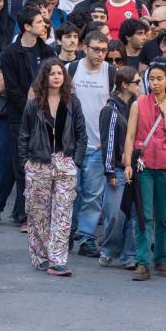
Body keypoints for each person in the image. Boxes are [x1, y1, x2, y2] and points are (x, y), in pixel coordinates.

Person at [18, 59, 87, 276]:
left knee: (63, 212)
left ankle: (57, 260)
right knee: (38, 213)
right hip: (39, 163)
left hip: (65, 161)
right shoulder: (34, 104)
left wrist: (76, 161)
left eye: (60, 73)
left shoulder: (73, 102)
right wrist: (26, 164)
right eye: (52, 73)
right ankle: (40, 255)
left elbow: (81, 134)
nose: (56, 77)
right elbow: (23, 136)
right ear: (44, 77)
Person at [0, 6, 57, 227]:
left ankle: (26, 211)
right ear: (27, 27)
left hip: (43, 117)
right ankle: (20, 212)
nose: (43, 25)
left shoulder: (46, 52)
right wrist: (30, 106)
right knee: (19, 165)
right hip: (18, 117)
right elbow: (12, 88)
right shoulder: (10, 53)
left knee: (38, 164)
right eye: (38, 22)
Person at [123, 58, 166, 281]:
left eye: (160, 78)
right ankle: (142, 261)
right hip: (144, 165)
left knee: (164, 215)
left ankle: (161, 257)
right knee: (144, 215)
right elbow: (130, 136)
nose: (155, 83)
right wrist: (128, 163)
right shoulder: (139, 104)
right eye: (152, 79)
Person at [67, 29, 114, 259]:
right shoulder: (71, 69)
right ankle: (67, 231)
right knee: (70, 191)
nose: (100, 54)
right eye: (96, 49)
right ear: (85, 47)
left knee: (93, 195)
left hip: (98, 146)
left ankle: (86, 237)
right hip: (72, 144)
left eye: (104, 50)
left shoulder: (110, 73)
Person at [98, 65, 139, 269]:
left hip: (136, 169)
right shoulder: (110, 110)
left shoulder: (137, 106)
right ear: (124, 85)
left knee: (133, 214)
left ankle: (129, 254)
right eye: (137, 82)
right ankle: (109, 248)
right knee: (115, 213)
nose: (140, 86)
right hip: (118, 168)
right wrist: (110, 171)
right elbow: (108, 141)